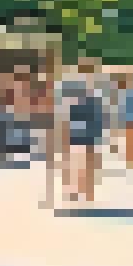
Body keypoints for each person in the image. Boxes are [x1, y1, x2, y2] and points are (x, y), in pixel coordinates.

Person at [58, 59, 107, 203]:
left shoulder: (97, 88)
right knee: (77, 162)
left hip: (87, 132)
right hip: (78, 132)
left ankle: (83, 192)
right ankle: (76, 191)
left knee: (84, 162)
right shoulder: (74, 87)